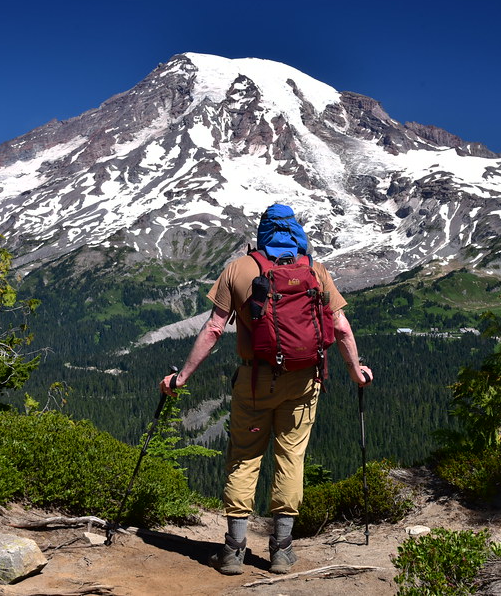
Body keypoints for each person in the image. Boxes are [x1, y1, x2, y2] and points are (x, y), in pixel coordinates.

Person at [159, 203, 373, 576]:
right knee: (290, 459)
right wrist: (356, 372)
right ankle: (281, 550)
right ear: (296, 233)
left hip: (255, 382)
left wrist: (182, 378)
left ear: (262, 233)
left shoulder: (239, 269)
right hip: (304, 382)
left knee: (244, 457)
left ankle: (233, 551)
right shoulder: (315, 272)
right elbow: (340, 328)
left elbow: (212, 329)